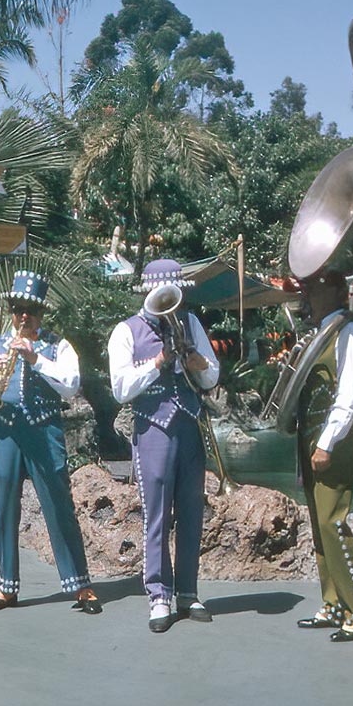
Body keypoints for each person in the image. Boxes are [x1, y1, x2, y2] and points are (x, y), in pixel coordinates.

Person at [0, 271, 101, 616]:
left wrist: (34, 359)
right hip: (4, 430)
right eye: (17, 309)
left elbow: (70, 385)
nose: (23, 316)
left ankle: (80, 583)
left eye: (30, 310)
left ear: (41, 313)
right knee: (3, 503)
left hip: (44, 431)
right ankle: (6, 586)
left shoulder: (59, 346)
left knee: (59, 502)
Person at [108, 259, 219, 633]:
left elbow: (212, 375)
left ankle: (188, 592)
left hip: (189, 425)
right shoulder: (126, 331)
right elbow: (121, 389)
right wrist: (158, 362)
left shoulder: (191, 323)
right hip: (153, 429)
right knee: (156, 515)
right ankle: (159, 594)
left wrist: (195, 360)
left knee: (191, 512)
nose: (171, 304)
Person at [293, 270, 353, 642]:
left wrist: (327, 442)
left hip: (334, 441)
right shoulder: (322, 334)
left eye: (312, 290)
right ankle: (333, 601)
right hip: (311, 438)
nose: (307, 297)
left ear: (334, 292)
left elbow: (352, 395)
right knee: (318, 524)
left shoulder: (352, 334)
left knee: (333, 523)